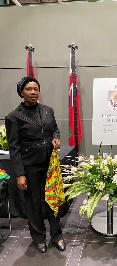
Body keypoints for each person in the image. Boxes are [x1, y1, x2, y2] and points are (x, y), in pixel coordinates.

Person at [5, 76, 66, 253]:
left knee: (52, 199)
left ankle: (57, 235)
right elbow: (14, 148)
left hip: (50, 164)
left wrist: (56, 138)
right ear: (21, 92)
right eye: (29, 89)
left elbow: (54, 128)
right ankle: (39, 237)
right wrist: (20, 174)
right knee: (33, 203)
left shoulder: (48, 110)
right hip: (30, 165)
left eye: (36, 89)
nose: (33, 92)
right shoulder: (13, 117)